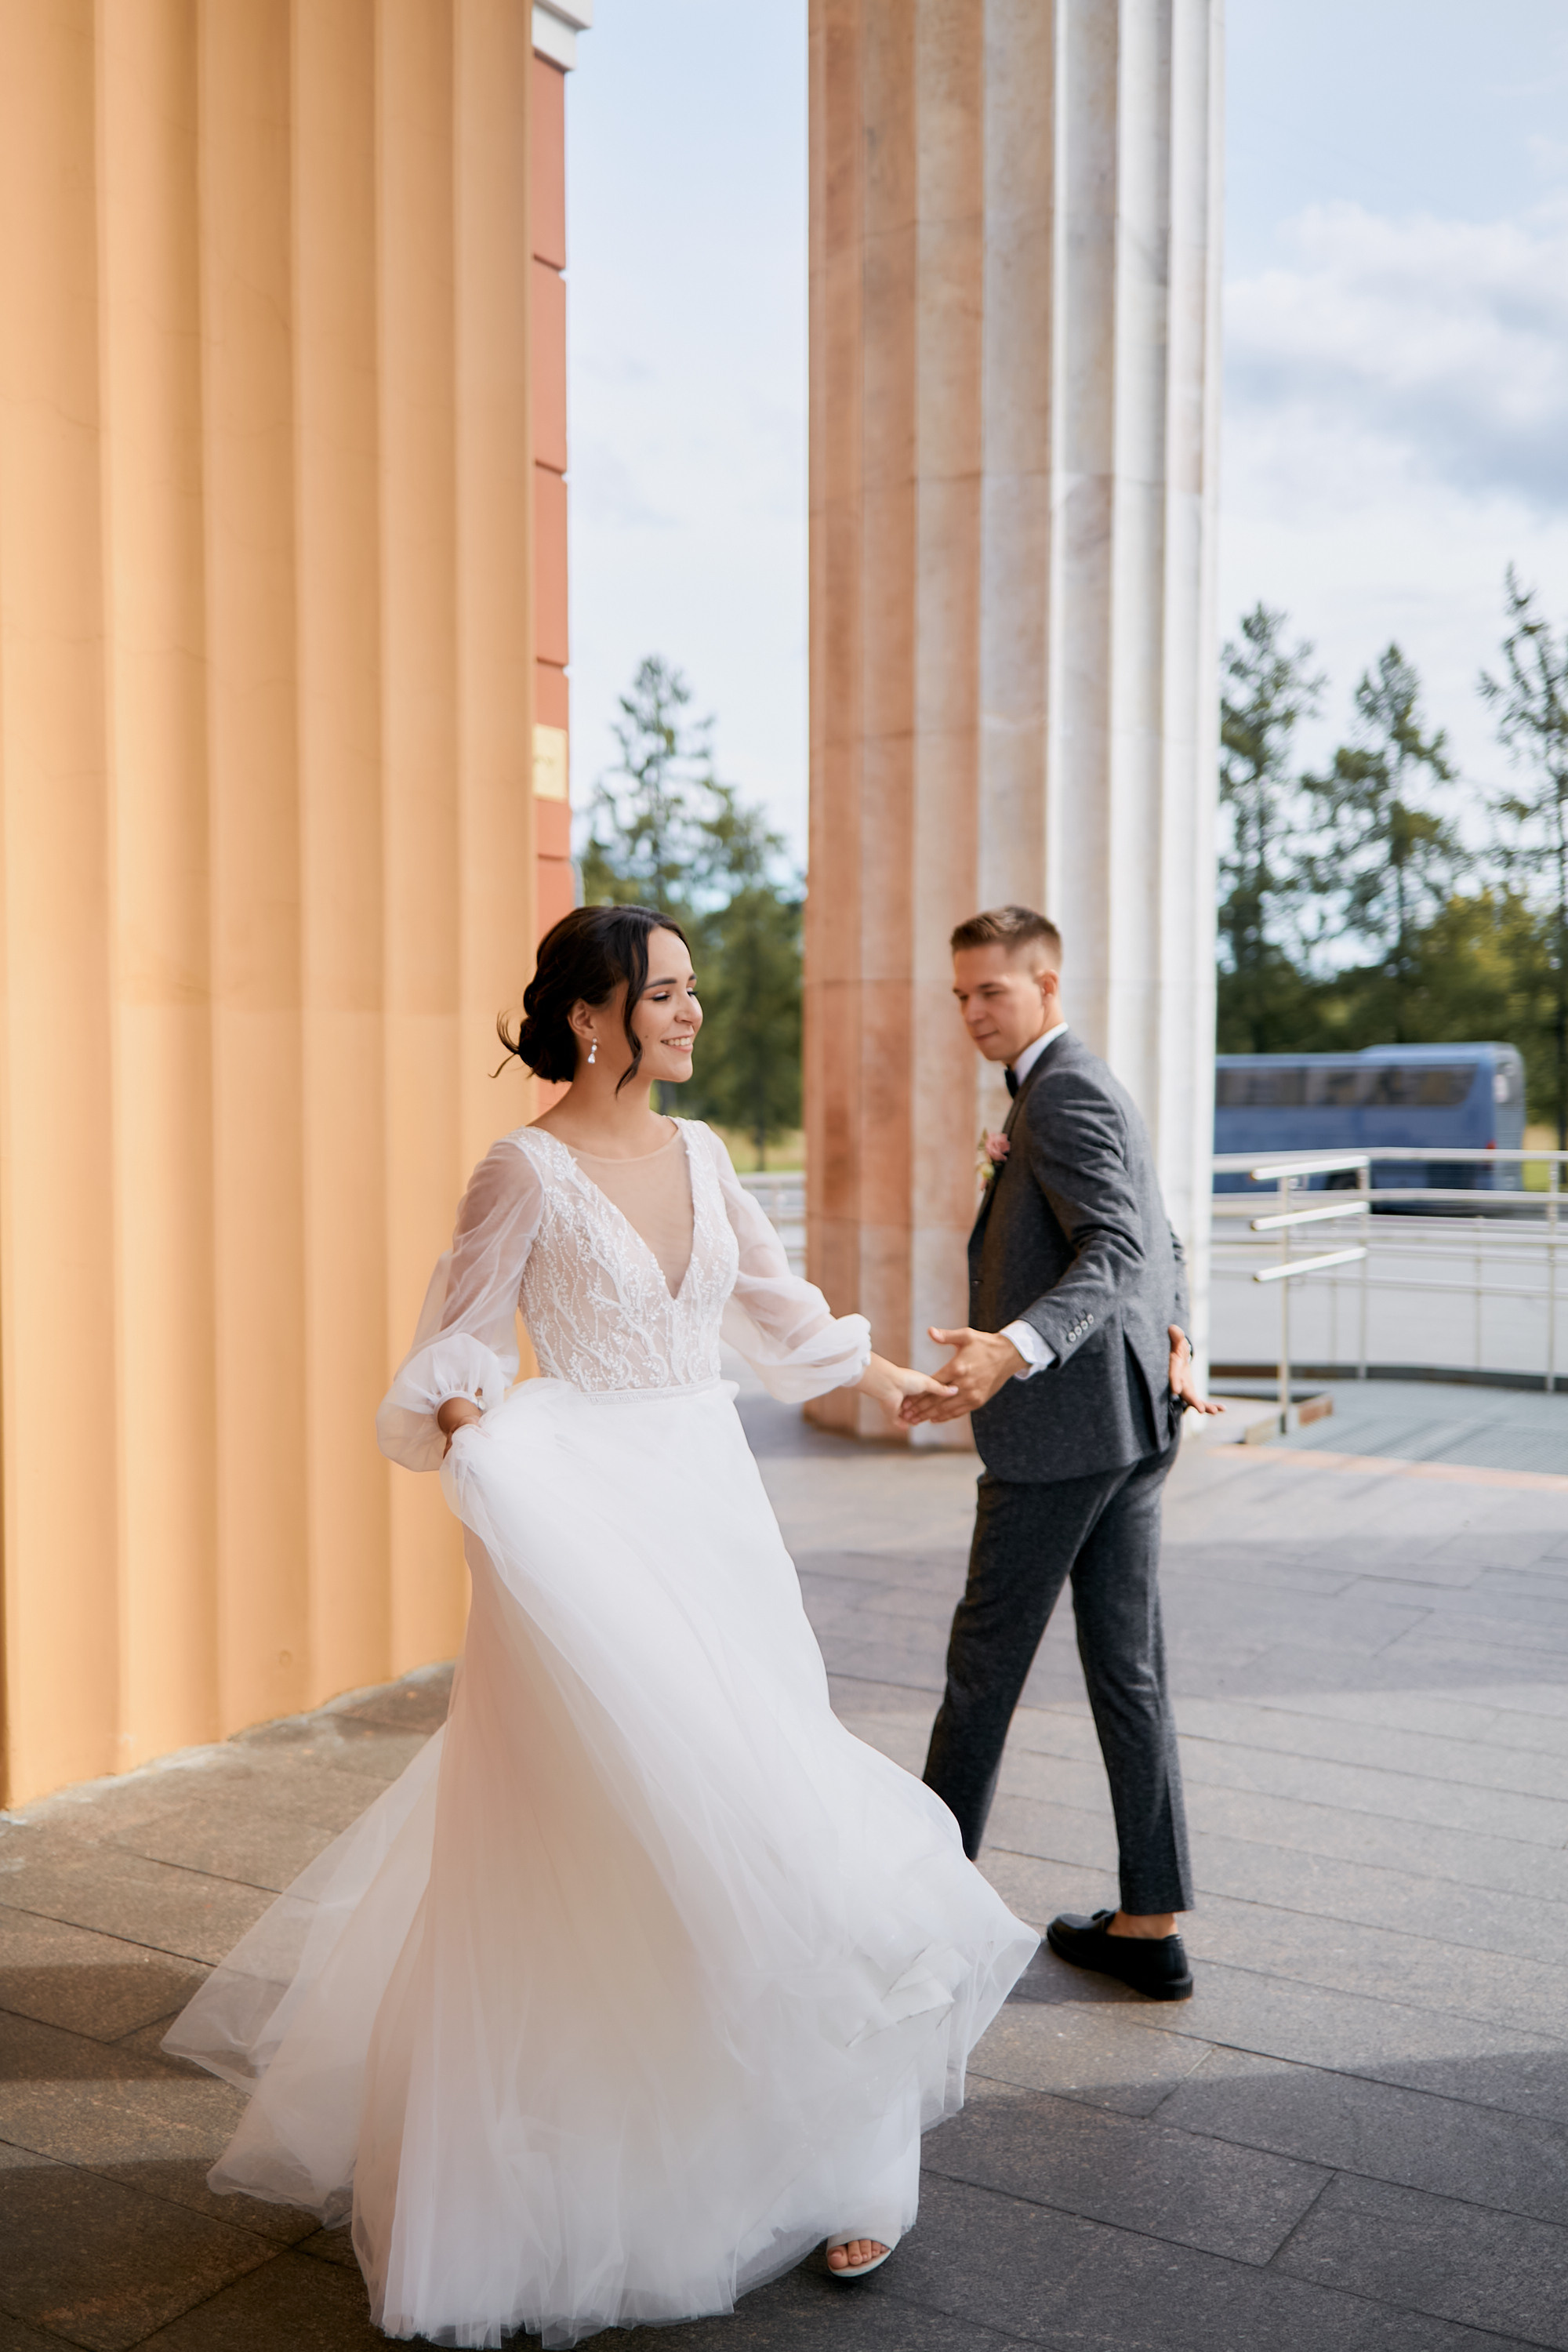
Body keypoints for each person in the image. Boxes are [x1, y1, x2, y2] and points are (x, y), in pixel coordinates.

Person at [164, 903, 1037, 2349]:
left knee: (770, 1815)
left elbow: (781, 1317)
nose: (697, 1014)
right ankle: (579, 2175)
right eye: (671, 993)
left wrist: (908, 1382)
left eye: (697, 990)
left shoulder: (703, 1156)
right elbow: (453, 1338)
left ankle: (839, 2158)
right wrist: (472, 1430)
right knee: (601, 1841)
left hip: (710, 1516)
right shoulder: (522, 1169)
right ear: (594, 1018)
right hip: (575, 1532)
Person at [902, 905, 1219, 2003]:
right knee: (1128, 1672)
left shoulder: (1065, 1088)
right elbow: (1159, 1234)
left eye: (992, 991)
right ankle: (1150, 1921)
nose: (972, 1013)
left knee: (982, 1674)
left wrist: (1016, 1349)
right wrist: (1175, 1340)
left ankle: (920, 1929)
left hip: (1067, 1432)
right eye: (960, 996)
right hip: (1128, 1423)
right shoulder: (1073, 1083)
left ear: (1047, 985)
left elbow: (1123, 1241)